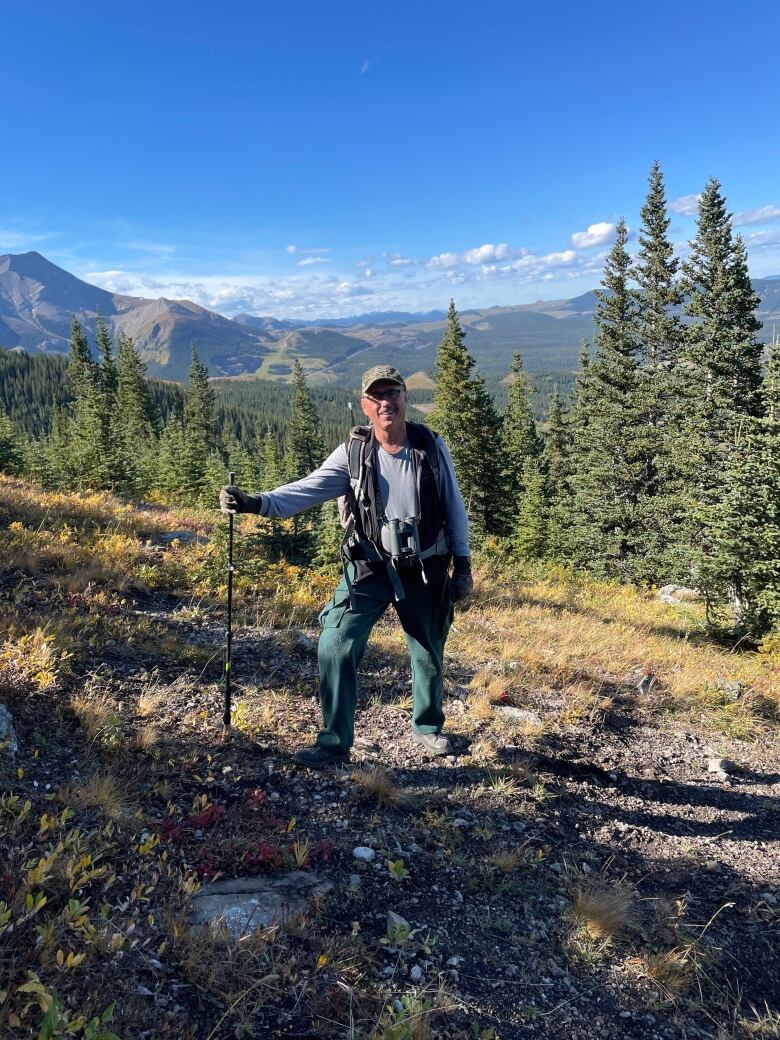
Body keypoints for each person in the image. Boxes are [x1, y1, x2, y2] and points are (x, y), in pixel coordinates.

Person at [220, 365, 473, 768]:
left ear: (406, 398)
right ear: (365, 407)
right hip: (369, 569)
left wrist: (463, 565)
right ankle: (334, 743)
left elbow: (454, 508)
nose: (386, 402)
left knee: (428, 649)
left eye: (393, 393)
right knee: (335, 645)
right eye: (377, 397)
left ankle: (427, 727)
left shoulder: (430, 447)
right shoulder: (354, 453)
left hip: (425, 568)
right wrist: (254, 502)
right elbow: (305, 491)